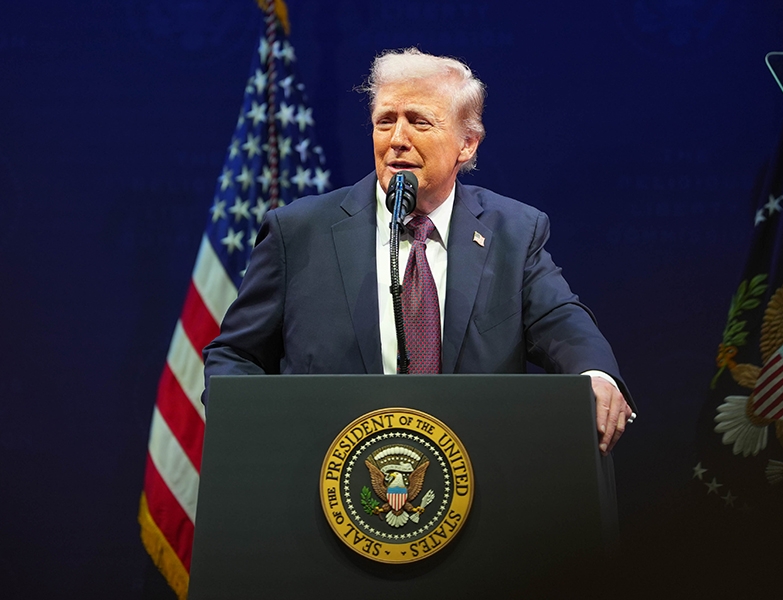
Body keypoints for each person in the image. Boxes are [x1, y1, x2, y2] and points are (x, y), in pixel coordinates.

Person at [203, 48, 635, 454]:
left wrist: (594, 375)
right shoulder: (298, 232)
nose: (397, 139)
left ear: (467, 144)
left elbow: (560, 320)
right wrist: (256, 434)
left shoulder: (514, 233)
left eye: (420, 122)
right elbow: (236, 355)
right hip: (323, 482)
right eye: (385, 120)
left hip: (475, 483)